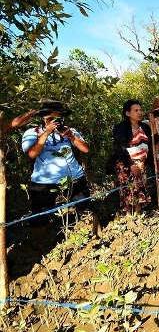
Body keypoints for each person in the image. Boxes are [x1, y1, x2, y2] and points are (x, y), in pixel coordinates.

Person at [21, 100, 99, 235]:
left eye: (57, 118)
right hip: (43, 182)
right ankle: (41, 244)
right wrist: (45, 133)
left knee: (83, 208)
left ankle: (85, 235)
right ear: (42, 118)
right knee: (40, 219)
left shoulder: (70, 131)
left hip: (74, 177)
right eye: (50, 119)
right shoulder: (32, 132)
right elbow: (32, 154)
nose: (54, 122)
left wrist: (71, 136)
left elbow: (85, 149)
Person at [108, 100, 157, 214]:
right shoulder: (121, 128)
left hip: (141, 163)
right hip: (125, 163)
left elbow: (154, 141)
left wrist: (153, 124)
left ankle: (138, 214)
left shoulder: (145, 126)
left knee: (140, 188)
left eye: (140, 110)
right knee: (128, 189)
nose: (140, 112)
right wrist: (131, 165)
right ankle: (129, 216)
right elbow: (120, 148)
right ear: (127, 113)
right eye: (136, 110)